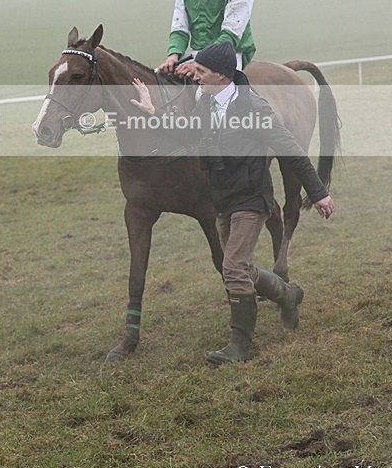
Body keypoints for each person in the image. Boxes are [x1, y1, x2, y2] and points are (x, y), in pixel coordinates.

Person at [131, 41, 335, 365]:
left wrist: (318, 192)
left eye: (200, 72)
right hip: (222, 200)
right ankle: (288, 295)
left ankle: (239, 345)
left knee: (232, 267)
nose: (195, 77)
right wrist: (152, 112)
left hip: (252, 199)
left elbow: (290, 148)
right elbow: (185, 132)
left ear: (222, 76)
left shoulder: (254, 107)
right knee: (241, 269)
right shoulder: (207, 108)